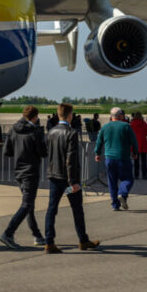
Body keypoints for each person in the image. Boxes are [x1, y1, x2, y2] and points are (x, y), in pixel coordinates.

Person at [43, 103, 99, 253]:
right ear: (70, 115)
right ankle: (83, 240)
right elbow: (71, 159)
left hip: (54, 176)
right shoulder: (71, 133)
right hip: (67, 179)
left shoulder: (51, 132)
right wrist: (73, 182)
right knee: (77, 210)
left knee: (52, 209)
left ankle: (49, 242)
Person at [0, 106, 48, 249]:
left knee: (29, 204)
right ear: (35, 117)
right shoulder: (35, 132)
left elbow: (7, 151)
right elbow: (43, 152)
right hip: (30, 171)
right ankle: (8, 233)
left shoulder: (13, 129)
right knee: (27, 205)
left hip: (18, 171)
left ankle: (37, 235)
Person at [94, 107, 138, 211]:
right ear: (121, 116)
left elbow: (99, 141)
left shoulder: (105, 127)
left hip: (109, 158)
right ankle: (122, 194)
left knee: (112, 182)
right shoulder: (126, 126)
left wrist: (97, 153)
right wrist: (135, 153)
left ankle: (115, 204)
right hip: (123, 157)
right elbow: (134, 141)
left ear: (111, 116)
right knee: (128, 179)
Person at [83, 113, 103, 189]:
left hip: (91, 133)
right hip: (94, 133)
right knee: (94, 141)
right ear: (97, 116)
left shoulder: (90, 121)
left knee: (92, 140)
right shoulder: (96, 122)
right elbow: (99, 128)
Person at [130, 111, 147, 180]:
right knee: (144, 162)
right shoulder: (144, 124)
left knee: (136, 162)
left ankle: (136, 175)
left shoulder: (132, 124)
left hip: (135, 144)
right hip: (143, 144)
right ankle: (144, 175)